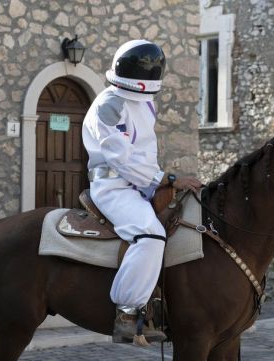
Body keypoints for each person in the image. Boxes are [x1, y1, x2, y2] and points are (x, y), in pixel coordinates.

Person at [82, 39, 202, 344]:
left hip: (143, 184)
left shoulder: (145, 103)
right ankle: (126, 312)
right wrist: (168, 178)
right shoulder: (109, 105)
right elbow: (120, 159)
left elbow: (143, 156)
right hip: (113, 186)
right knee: (150, 235)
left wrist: (163, 182)